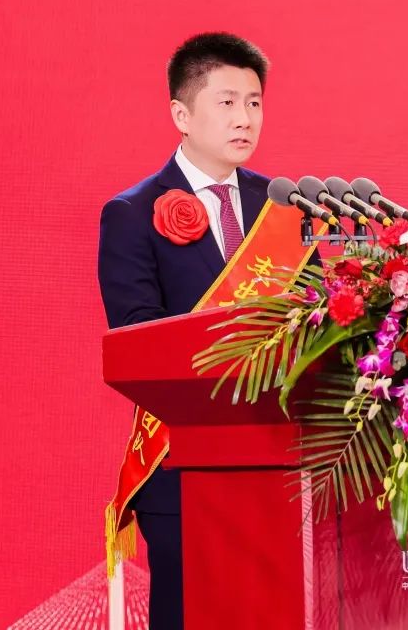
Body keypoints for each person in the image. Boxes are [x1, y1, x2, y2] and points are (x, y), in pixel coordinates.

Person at [97, 32, 270, 630]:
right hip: (184, 469)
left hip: (279, 464)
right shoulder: (133, 213)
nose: (245, 118)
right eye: (227, 102)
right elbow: (137, 340)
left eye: (254, 103)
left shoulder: (285, 207)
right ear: (181, 114)